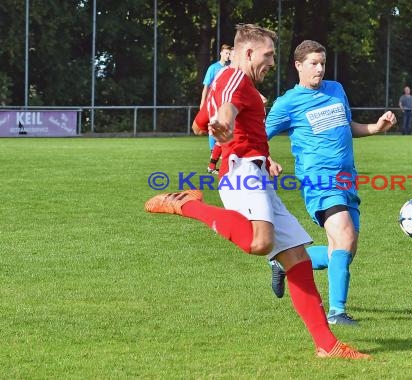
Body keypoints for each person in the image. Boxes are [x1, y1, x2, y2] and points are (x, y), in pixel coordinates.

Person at [146, 25, 369, 359]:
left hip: (255, 169)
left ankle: (328, 345)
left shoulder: (226, 83)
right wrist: (226, 122)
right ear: (249, 52)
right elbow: (226, 113)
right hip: (241, 170)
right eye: (268, 55)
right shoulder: (236, 79)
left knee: (297, 259)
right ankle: (187, 205)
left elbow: (198, 124)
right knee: (260, 242)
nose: (272, 62)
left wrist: (231, 133)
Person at [265, 40, 396, 325]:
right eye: (313, 63)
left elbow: (347, 127)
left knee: (345, 251)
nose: (320, 69)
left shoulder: (336, 90)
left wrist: (375, 127)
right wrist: (265, 159)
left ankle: (282, 261)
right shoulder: (287, 103)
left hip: (347, 179)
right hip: (319, 180)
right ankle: (337, 313)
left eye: (322, 63)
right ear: (298, 65)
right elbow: (258, 136)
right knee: (344, 236)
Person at [200, 44, 232, 174]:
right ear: (221, 53)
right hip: (213, 103)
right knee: (214, 127)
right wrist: (203, 102)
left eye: (229, 53)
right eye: (226, 53)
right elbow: (206, 86)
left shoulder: (230, 69)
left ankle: (216, 160)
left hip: (225, 103)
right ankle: (213, 153)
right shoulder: (213, 68)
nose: (228, 55)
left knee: (224, 129)